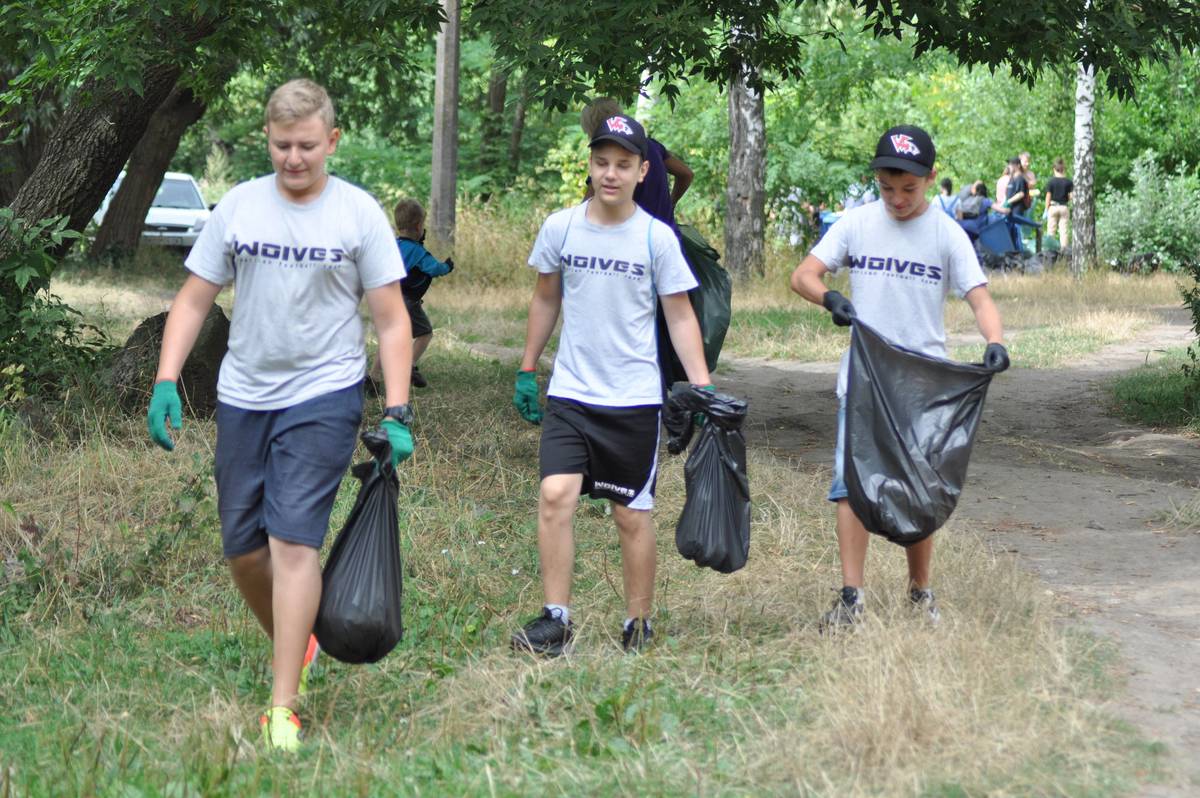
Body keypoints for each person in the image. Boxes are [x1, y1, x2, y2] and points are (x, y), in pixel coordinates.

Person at [145, 79, 415, 752]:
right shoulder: (239, 206)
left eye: (305, 146)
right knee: (243, 550)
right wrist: (165, 377)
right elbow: (193, 299)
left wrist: (400, 408)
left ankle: (282, 704)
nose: (293, 159)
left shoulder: (358, 214)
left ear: (332, 139)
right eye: (280, 145)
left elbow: (391, 320)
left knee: (294, 542)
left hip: (325, 395)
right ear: (266, 138)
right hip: (244, 396)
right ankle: (302, 641)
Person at [788, 124, 1008, 631]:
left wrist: (995, 342)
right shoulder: (856, 223)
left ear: (930, 178)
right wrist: (830, 298)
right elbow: (803, 275)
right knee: (850, 486)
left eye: (909, 189)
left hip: (923, 386)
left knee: (918, 490)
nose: (897, 199)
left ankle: (919, 592)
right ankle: (851, 599)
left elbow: (980, 297)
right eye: (887, 188)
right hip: (864, 381)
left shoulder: (946, 233)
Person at [510, 113, 712, 657]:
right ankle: (556, 619)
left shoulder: (656, 238)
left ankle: (637, 622)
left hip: (634, 401)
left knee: (631, 514)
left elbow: (680, 316)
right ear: (591, 165)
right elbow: (546, 297)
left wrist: (701, 387)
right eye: (602, 162)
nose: (611, 174)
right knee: (555, 495)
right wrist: (529, 367)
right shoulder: (561, 227)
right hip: (572, 393)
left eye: (624, 164)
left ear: (644, 170)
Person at [580, 98, 692, 230]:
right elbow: (686, 174)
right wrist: (670, 204)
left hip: (632, 242)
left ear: (591, 127)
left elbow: (583, 214)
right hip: (667, 233)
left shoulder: (606, 163)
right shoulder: (652, 146)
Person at [393, 198, 454, 388]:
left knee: (392, 338)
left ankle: (373, 377)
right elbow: (434, 269)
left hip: (388, 299)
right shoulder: (418, 252)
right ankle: (409, 367)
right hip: (408, 300)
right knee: (425, 333)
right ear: (419, 226)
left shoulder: (392, 245)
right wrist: (447, 266)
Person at [1002, 156, 1031, 250]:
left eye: (1011, 164)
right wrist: (1003, 203)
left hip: (1017, 210)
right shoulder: (1012, 178)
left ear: (1018, 166)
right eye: (1009, 164)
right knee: (1009, 233)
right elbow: (1008, 194)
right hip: (1008, 211)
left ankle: (1020, 252)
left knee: (1017, 232)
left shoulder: (1020, 179)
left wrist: (1008, 202)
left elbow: (1021, 194)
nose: (1009, 166)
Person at [1044, 157, 1073, 247]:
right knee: (1064, 231)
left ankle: (1050, 251)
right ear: (1063, 169)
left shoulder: (1051, 182)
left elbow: (1048, 197)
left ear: (1054, 169)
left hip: (1053, 207)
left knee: (1051, 231)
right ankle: (1064, 252)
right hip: (1064, 207)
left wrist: (1046, 209)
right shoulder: (1068, 182)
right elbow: (1071, 196)